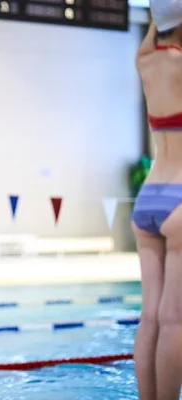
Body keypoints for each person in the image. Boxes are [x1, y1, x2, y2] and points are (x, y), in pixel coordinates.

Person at [132, 11, 182, 400]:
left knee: (149, 316)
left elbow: (159, 23)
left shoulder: (144, 61)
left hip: (148, 197)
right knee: (174, 319)